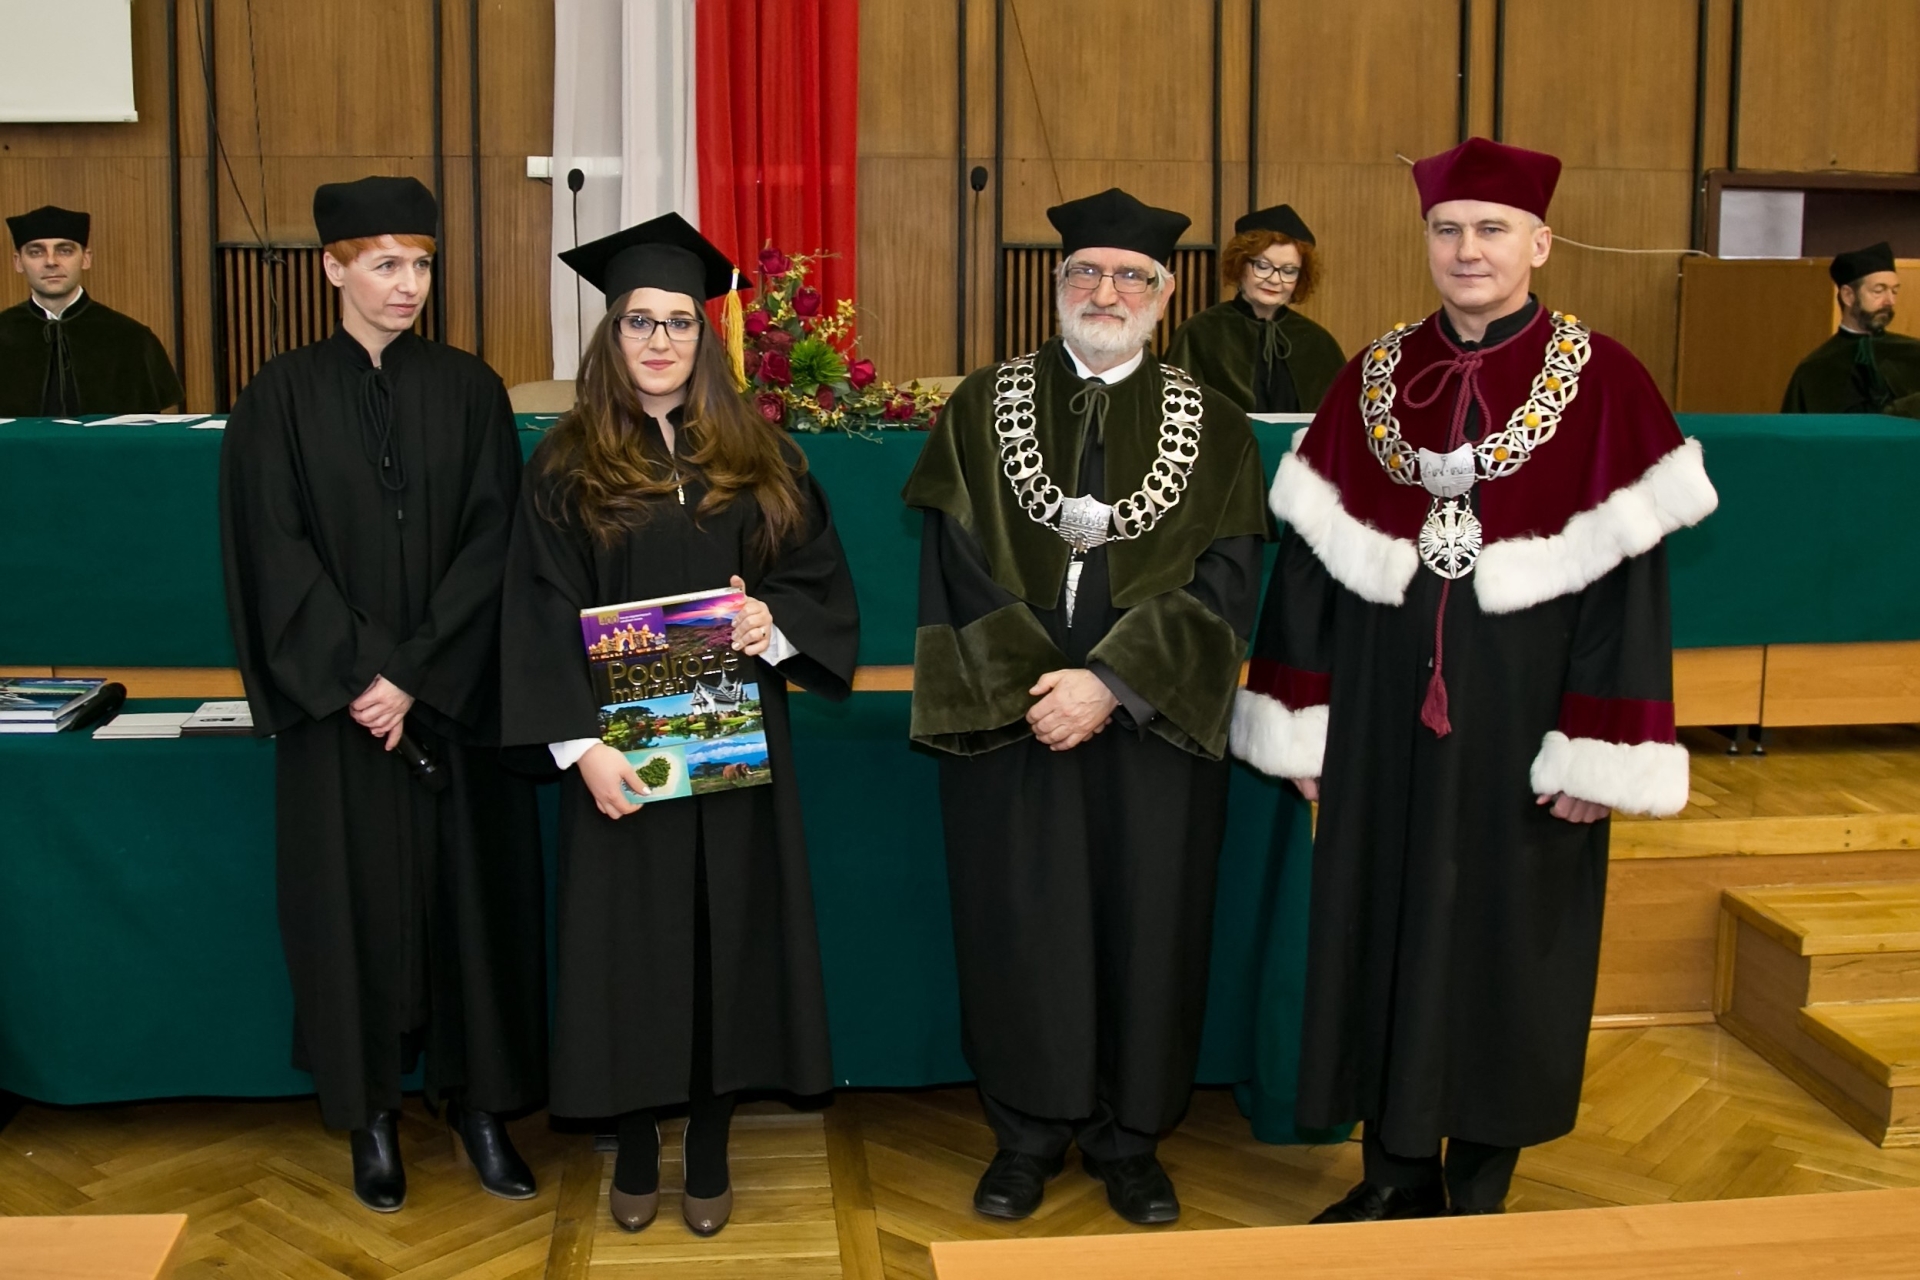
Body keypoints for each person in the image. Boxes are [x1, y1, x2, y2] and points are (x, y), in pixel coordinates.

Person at [1231, 137, 1719, 1221]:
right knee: (1379, 929)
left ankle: (1480, 1187)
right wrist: (1301, 719)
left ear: (1539, 243)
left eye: (1492, 229)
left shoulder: (1608, 380)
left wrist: (1599, 747)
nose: (1468, 250)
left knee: (1507, 938)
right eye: (1448, 230)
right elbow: (1307, 568)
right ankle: (1392, 1175)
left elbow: (1631, 594)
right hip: (1379, 717)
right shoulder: (1372, 375)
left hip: (1527, 720)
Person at [904, 188, 1269, 1226]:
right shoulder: (983, 407)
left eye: (1130, 276)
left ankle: (1131, 1139)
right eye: (1087, 273)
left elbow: (1228, 580)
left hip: (1151, 725)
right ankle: (1024, 1135)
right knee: (1022, 925)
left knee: (1150, 925)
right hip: (1015, 720)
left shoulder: (1218, 426)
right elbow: (956, 565)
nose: (1107, 291)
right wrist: (1046, 688)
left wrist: (1111, 684)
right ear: (1059, 284)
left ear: (1165, 292)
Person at [499, 213, 859, 1238]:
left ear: (706, 337)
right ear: (610, 334)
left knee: (724, 944)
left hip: (735, 739)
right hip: (621, 753)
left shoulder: (760, 455)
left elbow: (818, 581)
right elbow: (535, 608)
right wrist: (581, 748)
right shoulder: (565, 464)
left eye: (679, 323)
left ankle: (707, 1137)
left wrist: (769, 622)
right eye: (639, 322)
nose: (659, 341)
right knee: (630, 948)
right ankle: (635, 1137)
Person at [218, 175, 546, 1214]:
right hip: (341, 715)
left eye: (422, 264)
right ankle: (368, 1115)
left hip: (449, 703)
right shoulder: (278, 396)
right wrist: (363, 676)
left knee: (469, 905)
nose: (408, 285)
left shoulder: (472, 389)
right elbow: (273, 551)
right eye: (385, 264)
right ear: (333, 267)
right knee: (349, 909)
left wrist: (414, 671)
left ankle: (481, 1104)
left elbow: (495, 543)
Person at [0, 205, 183, 416]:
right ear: (18, 262)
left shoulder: (131, 339)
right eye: (36, 252)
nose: (51, 261)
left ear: (86, 258)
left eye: (64, 250)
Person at [1164, 204, 1345, 414]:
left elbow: (1340, 417)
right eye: (1263, 266)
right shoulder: (1199, 333)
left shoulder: (1318, 343)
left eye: (1289, 271)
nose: (1275, 279)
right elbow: (1176, 412)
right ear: (1240, 265)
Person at [1780, 241, 1920, 416]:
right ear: (1848, 295)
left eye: (1894, 291)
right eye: (1879, 291)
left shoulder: (1914, 353)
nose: (1890, 301)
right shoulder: (1815, 369)